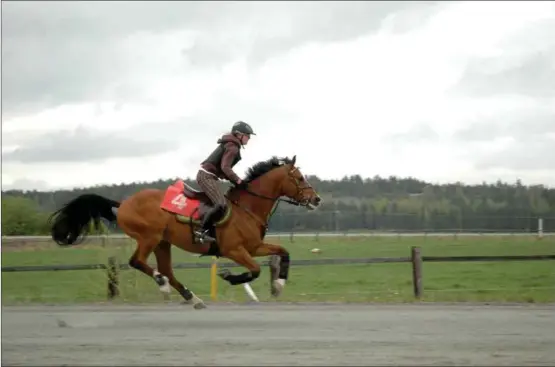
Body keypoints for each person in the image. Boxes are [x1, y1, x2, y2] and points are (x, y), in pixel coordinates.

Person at [194, 121, 256, 243]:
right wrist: (238, 180)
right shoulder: (232, 147)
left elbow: (224, 171)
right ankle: (200, 232)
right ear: (239, 135)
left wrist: (237, 182)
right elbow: (225, 168)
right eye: (247, 135)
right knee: (221, 203)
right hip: (206, 176)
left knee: (223, 203)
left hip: (209, 176)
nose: (249, 138)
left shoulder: (231, 144)